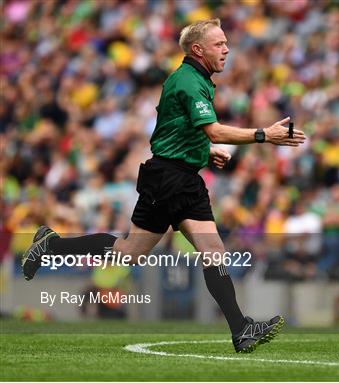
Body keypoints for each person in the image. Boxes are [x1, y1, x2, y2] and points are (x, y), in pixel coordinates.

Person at [21, 18, 306, 353]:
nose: (227, 49)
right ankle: (51, 245)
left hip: (184, 177)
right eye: (219, 44)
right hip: (168, 179)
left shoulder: (196, 78)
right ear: (198, 49)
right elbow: (212, 130)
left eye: (227, 42)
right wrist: (264, 135)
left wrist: (204, 151)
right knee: (129, 253)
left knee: (213, 251)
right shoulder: (188, 81)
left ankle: (241, 330)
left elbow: (178, 129)